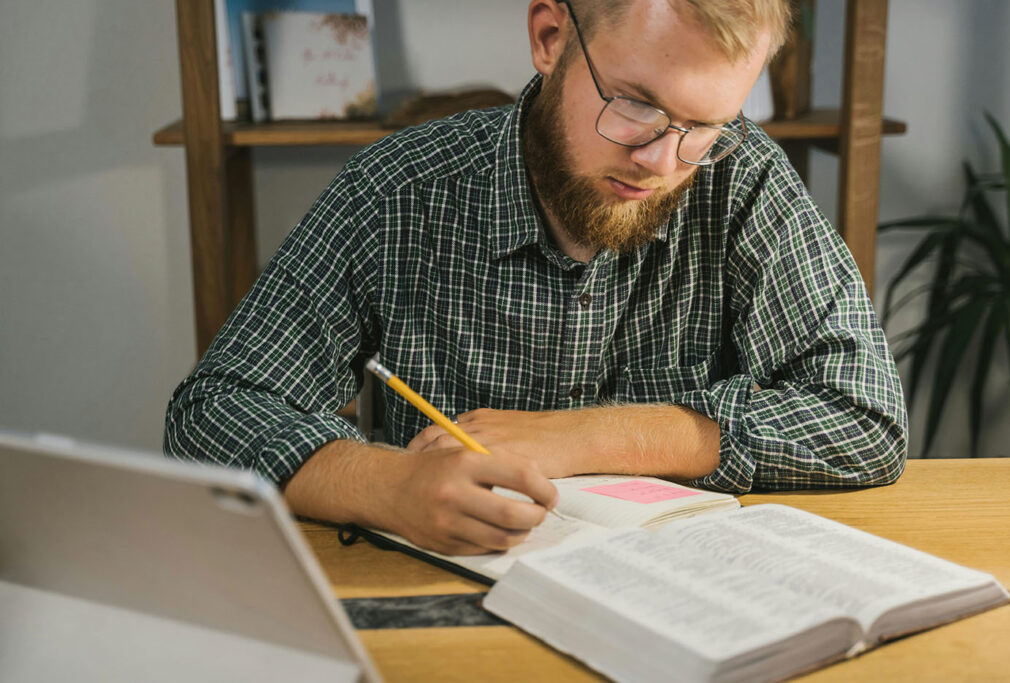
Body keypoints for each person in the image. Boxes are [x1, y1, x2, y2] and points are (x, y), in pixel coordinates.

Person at [165, 0, 908, 555]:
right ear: (549, 37)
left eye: (705, 125)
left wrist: (587, 437)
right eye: (637, 104)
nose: (661, 161)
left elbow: (865, 418)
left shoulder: (742, 181)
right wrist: (388, 486)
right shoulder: (395, 192)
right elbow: (210, 416)